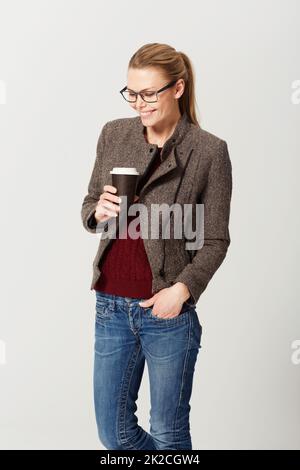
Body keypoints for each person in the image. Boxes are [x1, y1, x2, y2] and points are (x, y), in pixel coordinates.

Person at [81, 42, 232, 450]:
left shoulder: (209, 151)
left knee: (169, 433)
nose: (138, 103)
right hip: (111, 304)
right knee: (113, 434)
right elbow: (89, 207)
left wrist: (181, 291)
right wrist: (100, 211)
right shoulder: (114, 133)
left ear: (178, 88)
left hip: (167, 310)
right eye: (131, 93)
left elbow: (216, 238)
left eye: (149, 94)